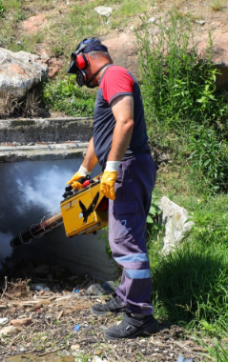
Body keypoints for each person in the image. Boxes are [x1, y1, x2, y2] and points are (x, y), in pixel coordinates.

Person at [65, 38, 158, 340]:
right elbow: (101, 137)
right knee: (124, 236)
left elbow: (126, 122)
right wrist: (82, 172)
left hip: (127, 169)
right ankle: (126, 296)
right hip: (124, 169)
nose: (80, 78)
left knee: (126, 242)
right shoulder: (109, 83)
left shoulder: (114, 75)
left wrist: (112, 169)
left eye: (78, 70)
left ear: (84, 61)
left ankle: (140, 315)